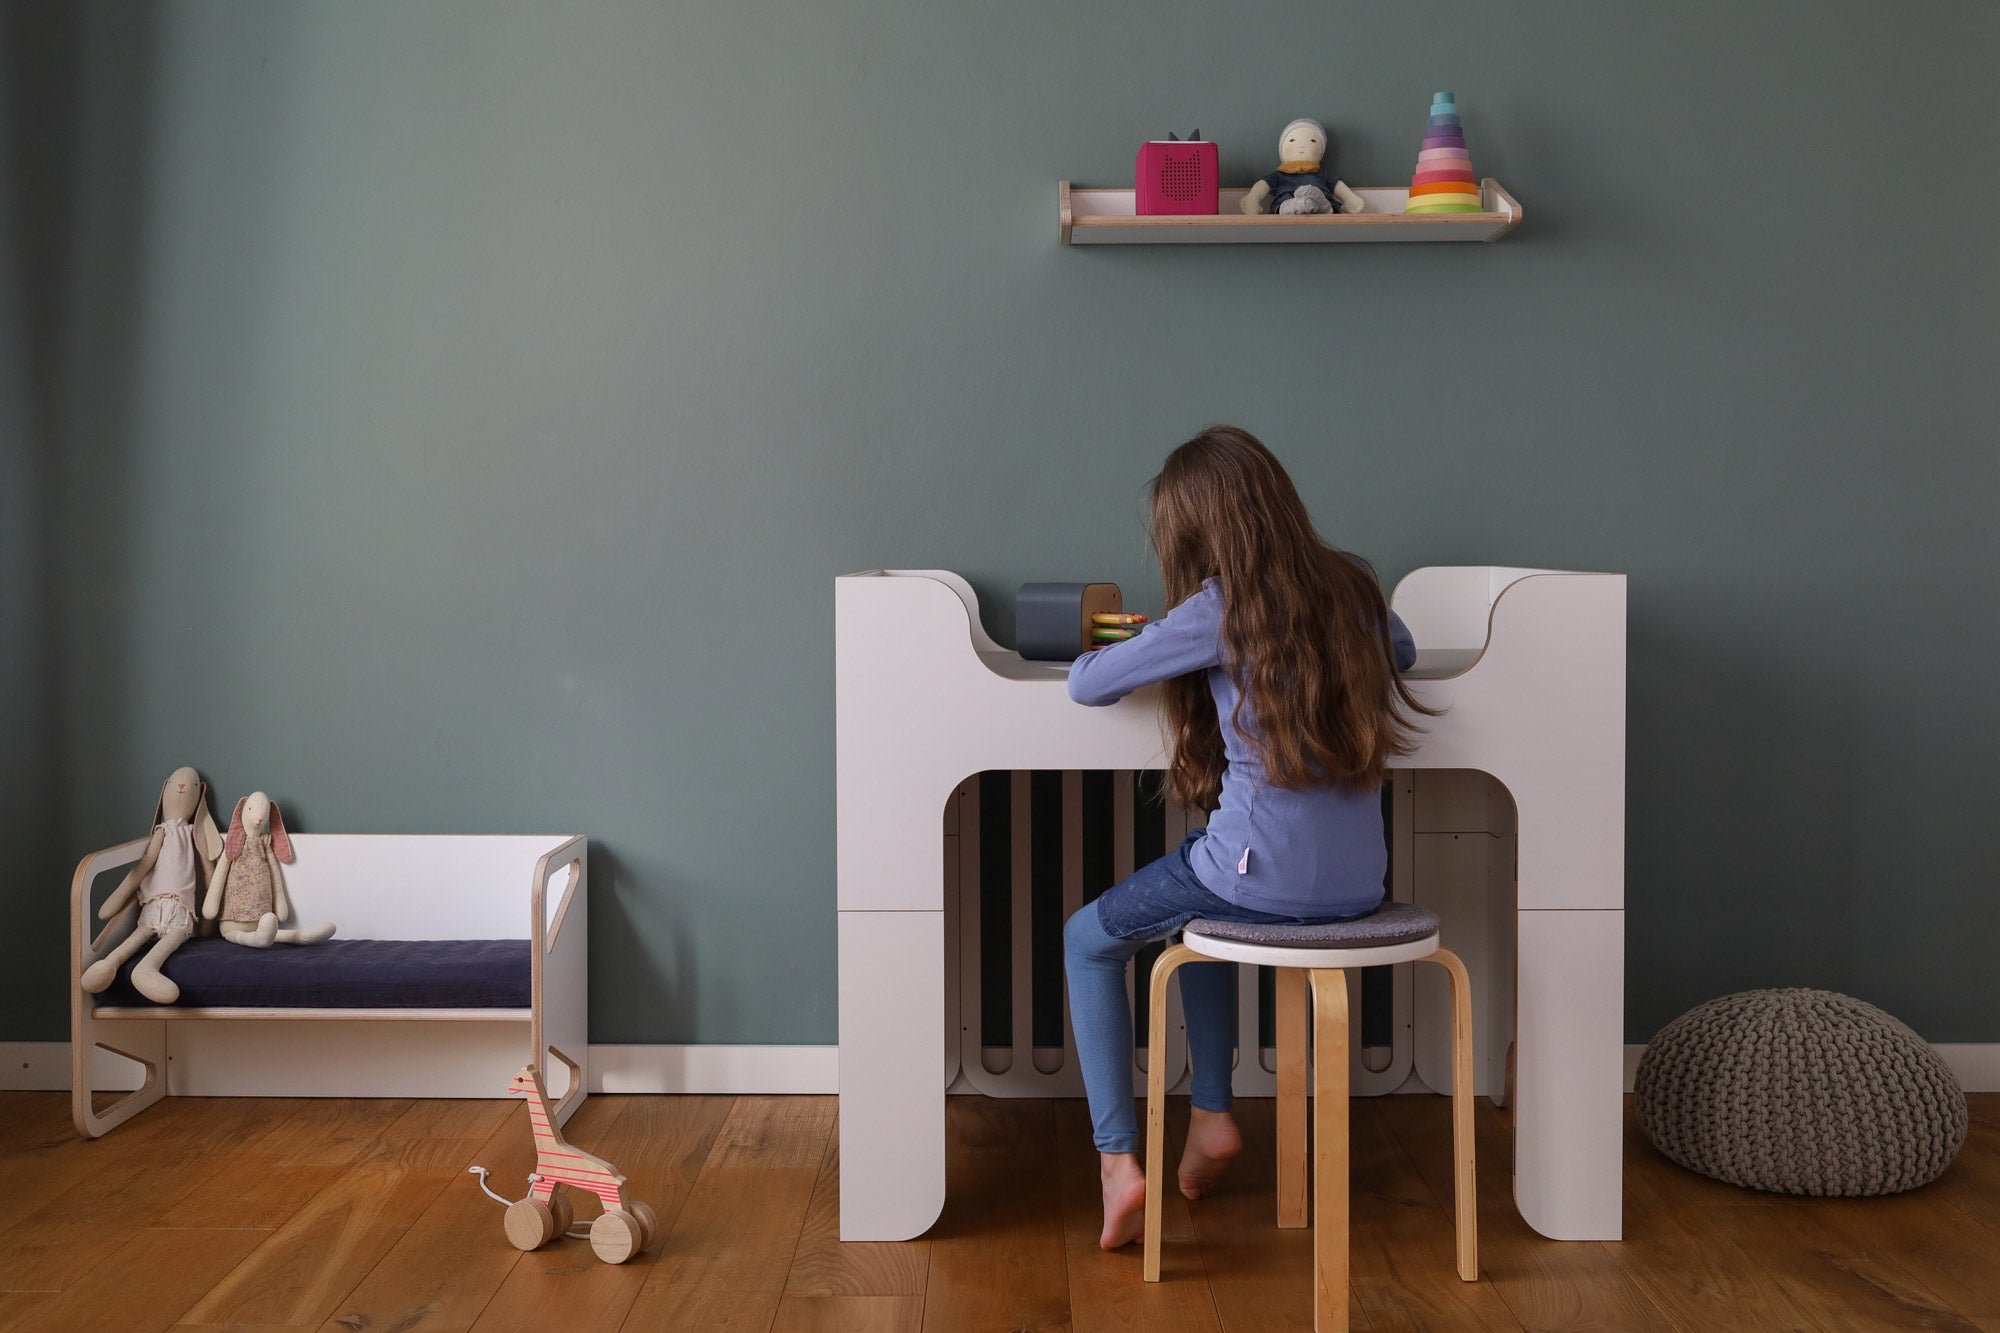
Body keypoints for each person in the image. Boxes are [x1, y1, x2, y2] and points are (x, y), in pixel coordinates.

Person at [1062, 424, 1427, 1250]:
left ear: (1200, 530)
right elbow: (1402, 650)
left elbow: (1088, 684)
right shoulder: (1356, 587)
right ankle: (1213, 1118)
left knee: (1086, 939)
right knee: (1188, 936)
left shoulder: (1220, 607)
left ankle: (1118, 1162)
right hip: (1359, 885)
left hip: (1253, 873)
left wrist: (1159, 633)